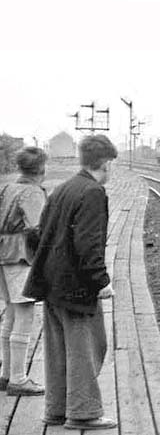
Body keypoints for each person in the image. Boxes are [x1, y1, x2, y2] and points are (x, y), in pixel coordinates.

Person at [23, 135, 117, 430]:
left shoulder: (62, 189)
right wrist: (101, 281)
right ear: (106, 163)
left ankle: (56, 410)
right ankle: (84, 412)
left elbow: (37, 235)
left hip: (51, 284)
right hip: (76, 287)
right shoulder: (92, 192)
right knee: (85, 350)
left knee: (57, 351)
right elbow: (89, 244)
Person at [0, 146, 48, 396]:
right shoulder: (32, 191)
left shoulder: (8, 187)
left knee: (10, 314)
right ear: (41, 168)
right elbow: (37, 228)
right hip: (21, 256)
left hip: (3, 254)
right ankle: (18, 379)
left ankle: (6, 374)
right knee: (25, 315)